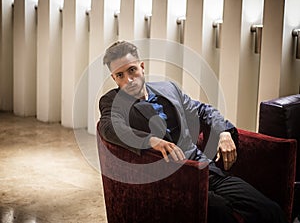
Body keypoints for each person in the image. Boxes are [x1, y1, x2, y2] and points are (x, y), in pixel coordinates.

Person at [98, 40, 288, 223]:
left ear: (142, 66)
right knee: (221, 213)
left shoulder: (168, 88)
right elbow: (108, 127)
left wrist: (223, 132)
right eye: (120, 75)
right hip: (168, 181)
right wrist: (150, 141)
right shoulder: (112, 101)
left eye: (132, 70)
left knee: (270, 210)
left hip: (203, 167)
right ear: (114, 78)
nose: (129, 79)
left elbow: (203, 110)